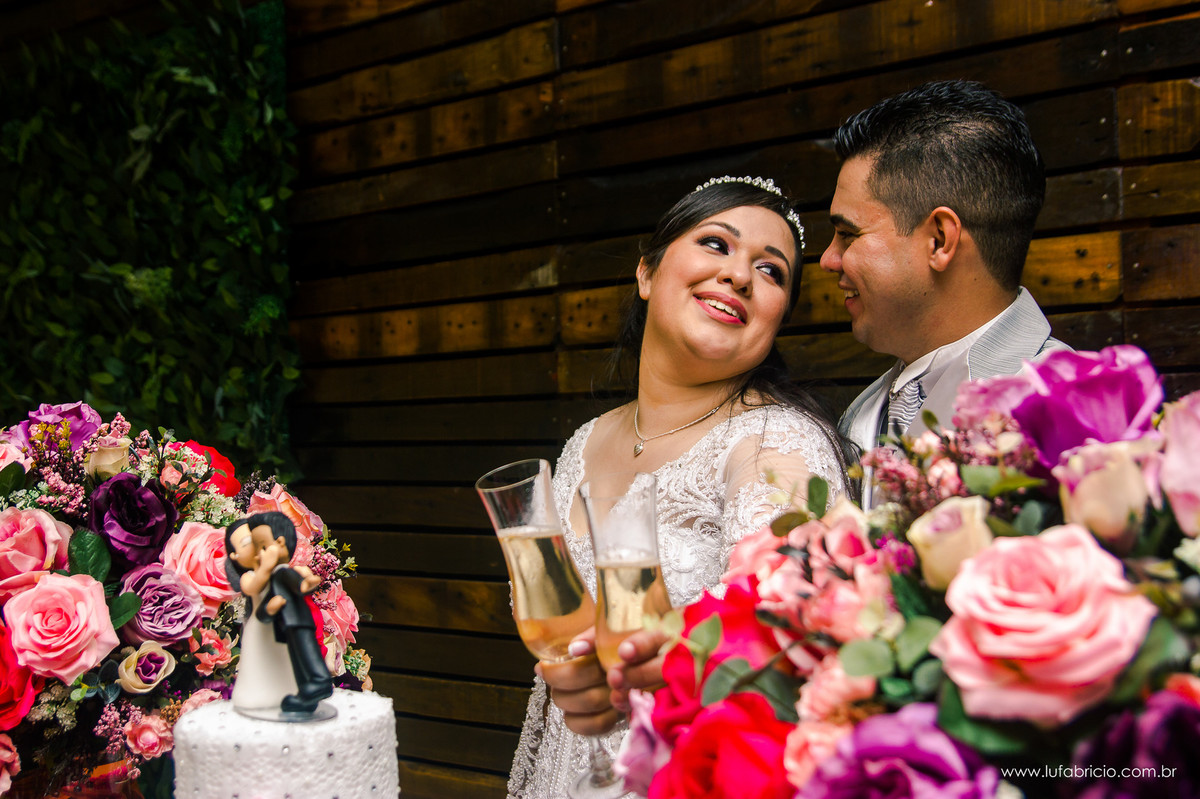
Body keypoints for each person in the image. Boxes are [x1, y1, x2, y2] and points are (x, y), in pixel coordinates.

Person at [506, 176, 850, 799]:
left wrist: (679, 661)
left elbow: (807, 639)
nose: (739, 275)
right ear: (646, 273)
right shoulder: (583, 444)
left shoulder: (775, 444)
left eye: (770, 271)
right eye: (716, 244)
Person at [822, 80, 1071, 455]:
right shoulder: (860, 414)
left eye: (847, 234)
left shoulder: (1064, 410)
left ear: (939, 240)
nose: (828, 259)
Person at [224, 511, 332, 713]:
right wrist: (265, 567)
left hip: (283, 626)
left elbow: (296, 578)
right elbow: (253, 588)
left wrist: (305, 578)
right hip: (260, 628)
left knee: (287, 659)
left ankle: (298, 691)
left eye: (259, 542)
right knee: (262, 661)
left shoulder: (281, 571)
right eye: (249, 542)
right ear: (235, 556)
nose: (257, 549)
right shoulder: (250, 576)